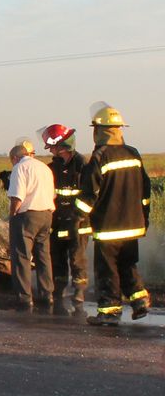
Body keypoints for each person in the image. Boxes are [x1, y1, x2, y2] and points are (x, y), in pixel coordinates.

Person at [78, 104, 153, 326]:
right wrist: (144, 217)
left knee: (107, 268)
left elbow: (90, 194)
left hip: (109, 226)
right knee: (128, 264)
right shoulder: (133, 153)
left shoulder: (100, 156)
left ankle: (109, 311)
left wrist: (79, 218)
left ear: (99, 130)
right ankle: (139, 301)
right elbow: (146, 189)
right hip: (133, 224)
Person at [41, 124, 91, 316]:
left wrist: (78, 217)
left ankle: (79, 294)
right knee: (57, 259)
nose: (51, 150)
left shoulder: (83, 166)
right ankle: (59, 292)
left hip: (78, 222)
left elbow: (90, 196)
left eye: (52, 146)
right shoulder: (52, 168)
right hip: (58, 221)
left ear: (62, 146)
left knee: (77, 260)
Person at [7, 142, 56, 312]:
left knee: (22, 257)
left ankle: (24, 298)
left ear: (15, 157)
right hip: (47, 215)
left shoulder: (20, 168)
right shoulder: (44, 167)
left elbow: (17, 197)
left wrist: (12, 216)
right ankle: (47, 295)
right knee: (44, 256)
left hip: (27, 216)